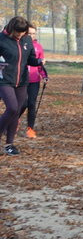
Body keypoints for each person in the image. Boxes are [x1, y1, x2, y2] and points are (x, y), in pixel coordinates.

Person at [0, 16, 42, 156]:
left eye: (22, 32)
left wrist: (38, 61)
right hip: (4, 80)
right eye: (17, 32)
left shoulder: (27, 40)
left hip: (22, 81)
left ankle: (9, 144)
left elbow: (29, 59)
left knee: (16, 111)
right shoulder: (2, 39)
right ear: (11, 28)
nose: (19, 35)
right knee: (11, 107)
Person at [18, 23, 46, 139]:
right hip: (21, 80)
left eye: (34, 34)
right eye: (29, 33)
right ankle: (13, 120)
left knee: (31, 104)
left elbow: (40, 64)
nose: (32, 36)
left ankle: (30, 129)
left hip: (34, 80)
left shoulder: (38, 47)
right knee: (22, 103)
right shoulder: (19, 44)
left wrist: (44, 75)